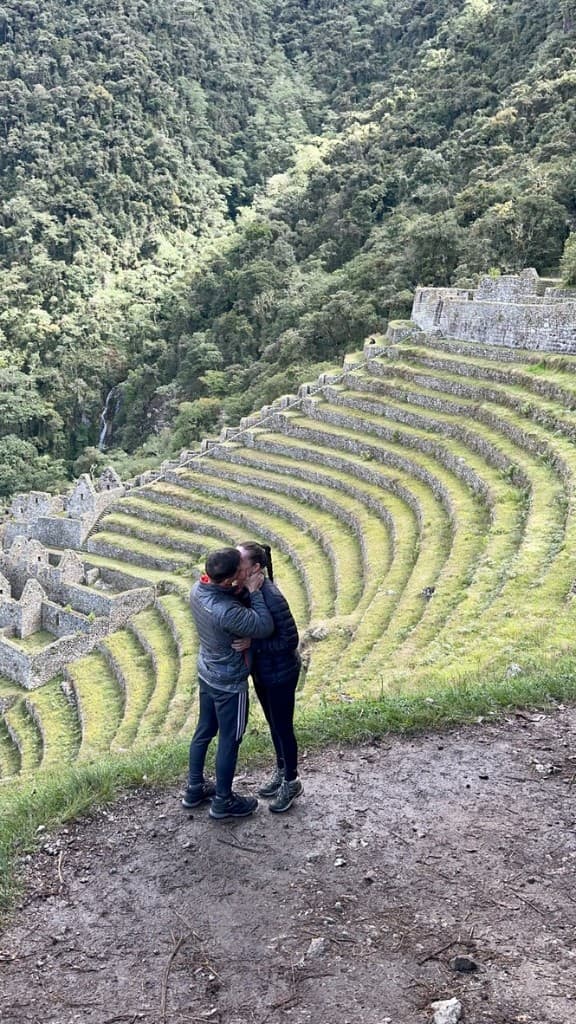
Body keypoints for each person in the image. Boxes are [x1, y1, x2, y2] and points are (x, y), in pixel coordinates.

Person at [182, 546, 274, 820]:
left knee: (204, 730)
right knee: (230, 739)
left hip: (207, 672)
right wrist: (255, 592)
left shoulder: (197, 590)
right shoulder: (226, 611)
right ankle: (223, 800)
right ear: (229, 578)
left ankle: (194, 788)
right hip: (229, 684)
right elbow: (264, 626)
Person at [235, 541, 303, 814]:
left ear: (255, 567)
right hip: (264, 672)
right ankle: (281, 767)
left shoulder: (271, 596)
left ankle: (291, 780)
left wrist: (254, 644)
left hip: (281, 673)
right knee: (273, 724)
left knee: (283, 727)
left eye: (240, 562)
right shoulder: (253, 591)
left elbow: (290, 640)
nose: (236, 566)